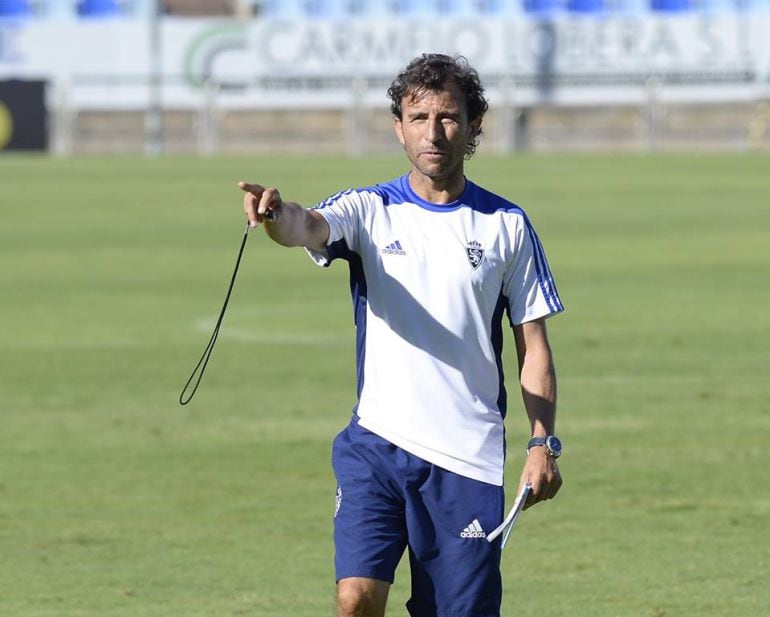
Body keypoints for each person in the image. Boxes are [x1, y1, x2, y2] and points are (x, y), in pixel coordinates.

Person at [239, 53, 564, 617]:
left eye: (448, 117)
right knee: (355, 599)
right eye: (418, 118)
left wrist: (542, 442)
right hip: (376, 444)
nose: (433, 133)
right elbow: (306, 225)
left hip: (466, 457)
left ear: (473, 126)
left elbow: (532, 346)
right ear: (398, 127)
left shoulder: (507, 225)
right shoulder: (370, 209)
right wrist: (274, 215)